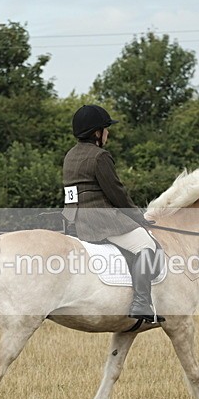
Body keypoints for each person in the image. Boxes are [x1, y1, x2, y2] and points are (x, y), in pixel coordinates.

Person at [62, 104, 164, 323]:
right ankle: (141, 302)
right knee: (146, 244)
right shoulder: (100, 156)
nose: (108, 133)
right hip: (100, 221)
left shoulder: (70, 156)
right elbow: (116, 193)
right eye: (106, 129)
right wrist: (138, 217)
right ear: (97, 133)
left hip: (74, 220)